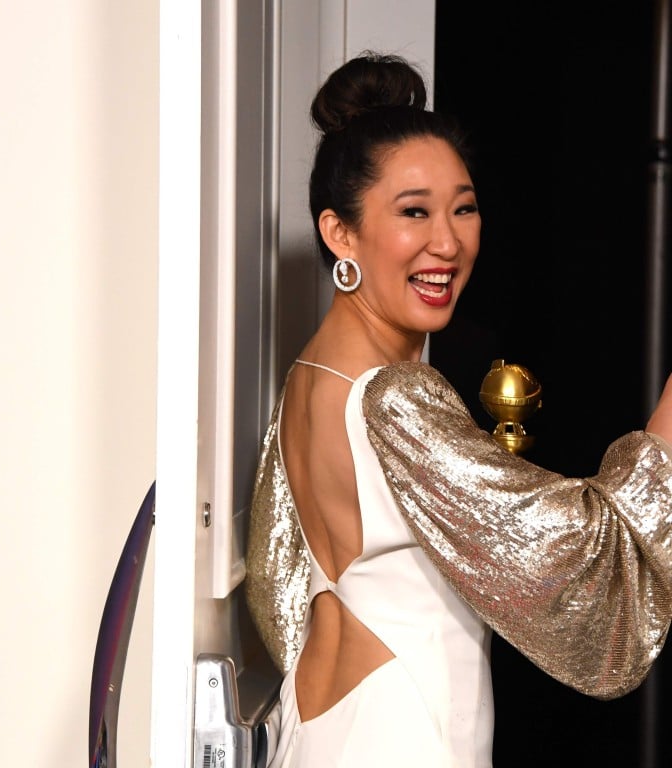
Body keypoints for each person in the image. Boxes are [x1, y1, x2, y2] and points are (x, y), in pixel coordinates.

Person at [244, 51, 672, 767]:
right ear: (339, 232)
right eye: (413, 212)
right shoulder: (393, 397)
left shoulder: (311, 380)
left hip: (318, 731)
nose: (448, 242)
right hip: (402, 736)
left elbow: (275, 592)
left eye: (464, 208)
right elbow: (575, 551)